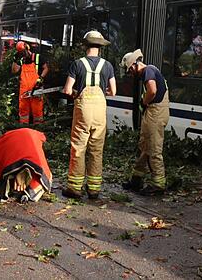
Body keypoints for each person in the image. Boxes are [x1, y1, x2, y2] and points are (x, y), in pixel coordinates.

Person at [61, 30, 116, 199]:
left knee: (79, 148)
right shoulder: (107, 66)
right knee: (96, 150)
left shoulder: (77, 64)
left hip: (83, 110)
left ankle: (74, 188)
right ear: (100, 47)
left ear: (85, 45)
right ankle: (94, 189)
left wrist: (76, 92)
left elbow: (67, 90)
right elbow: (113, 91)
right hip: (100, 110)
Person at [121, 49, 170, 195]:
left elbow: (152, 91)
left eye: (130, 71)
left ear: (134, 65)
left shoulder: (148, 70)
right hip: (153, 113)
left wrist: (143, 102)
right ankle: (136, 180)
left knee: (154, 148)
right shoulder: (150, 71)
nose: (130, 74)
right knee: (144, 146)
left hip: (156, 113)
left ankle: (158, 185)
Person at [12, 41, 49, 124]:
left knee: (37, 111)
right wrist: (15, 59)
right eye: (21, 53)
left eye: (23, 52)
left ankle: (38, 128)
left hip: (35, 88)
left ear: (27, 48)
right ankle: (23, 127)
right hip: (24, 90)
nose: (23, 54)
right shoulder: (21, 60)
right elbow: (14, 70)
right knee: (23, 111)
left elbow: (46, 68)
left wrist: (40, 79)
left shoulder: (37, 57)